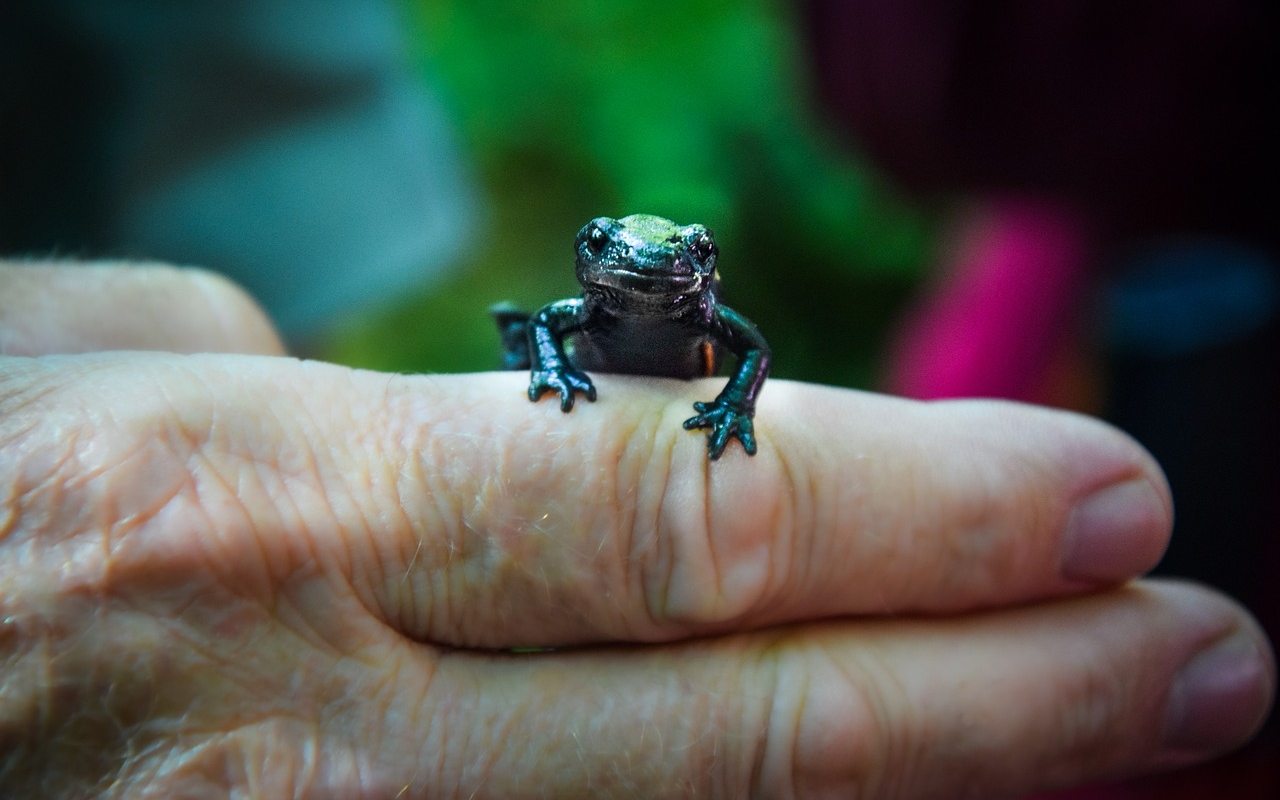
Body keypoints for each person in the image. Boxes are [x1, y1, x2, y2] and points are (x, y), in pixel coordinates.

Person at [0, 262, 1272, 797]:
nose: (644, 275)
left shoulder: (720, 323)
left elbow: (755, 348)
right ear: (596, 265)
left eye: (671, 265)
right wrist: (544, 369)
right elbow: (544, 322)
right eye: (617, 261)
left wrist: (730, 406)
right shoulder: (580, 307)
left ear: (698, 274)